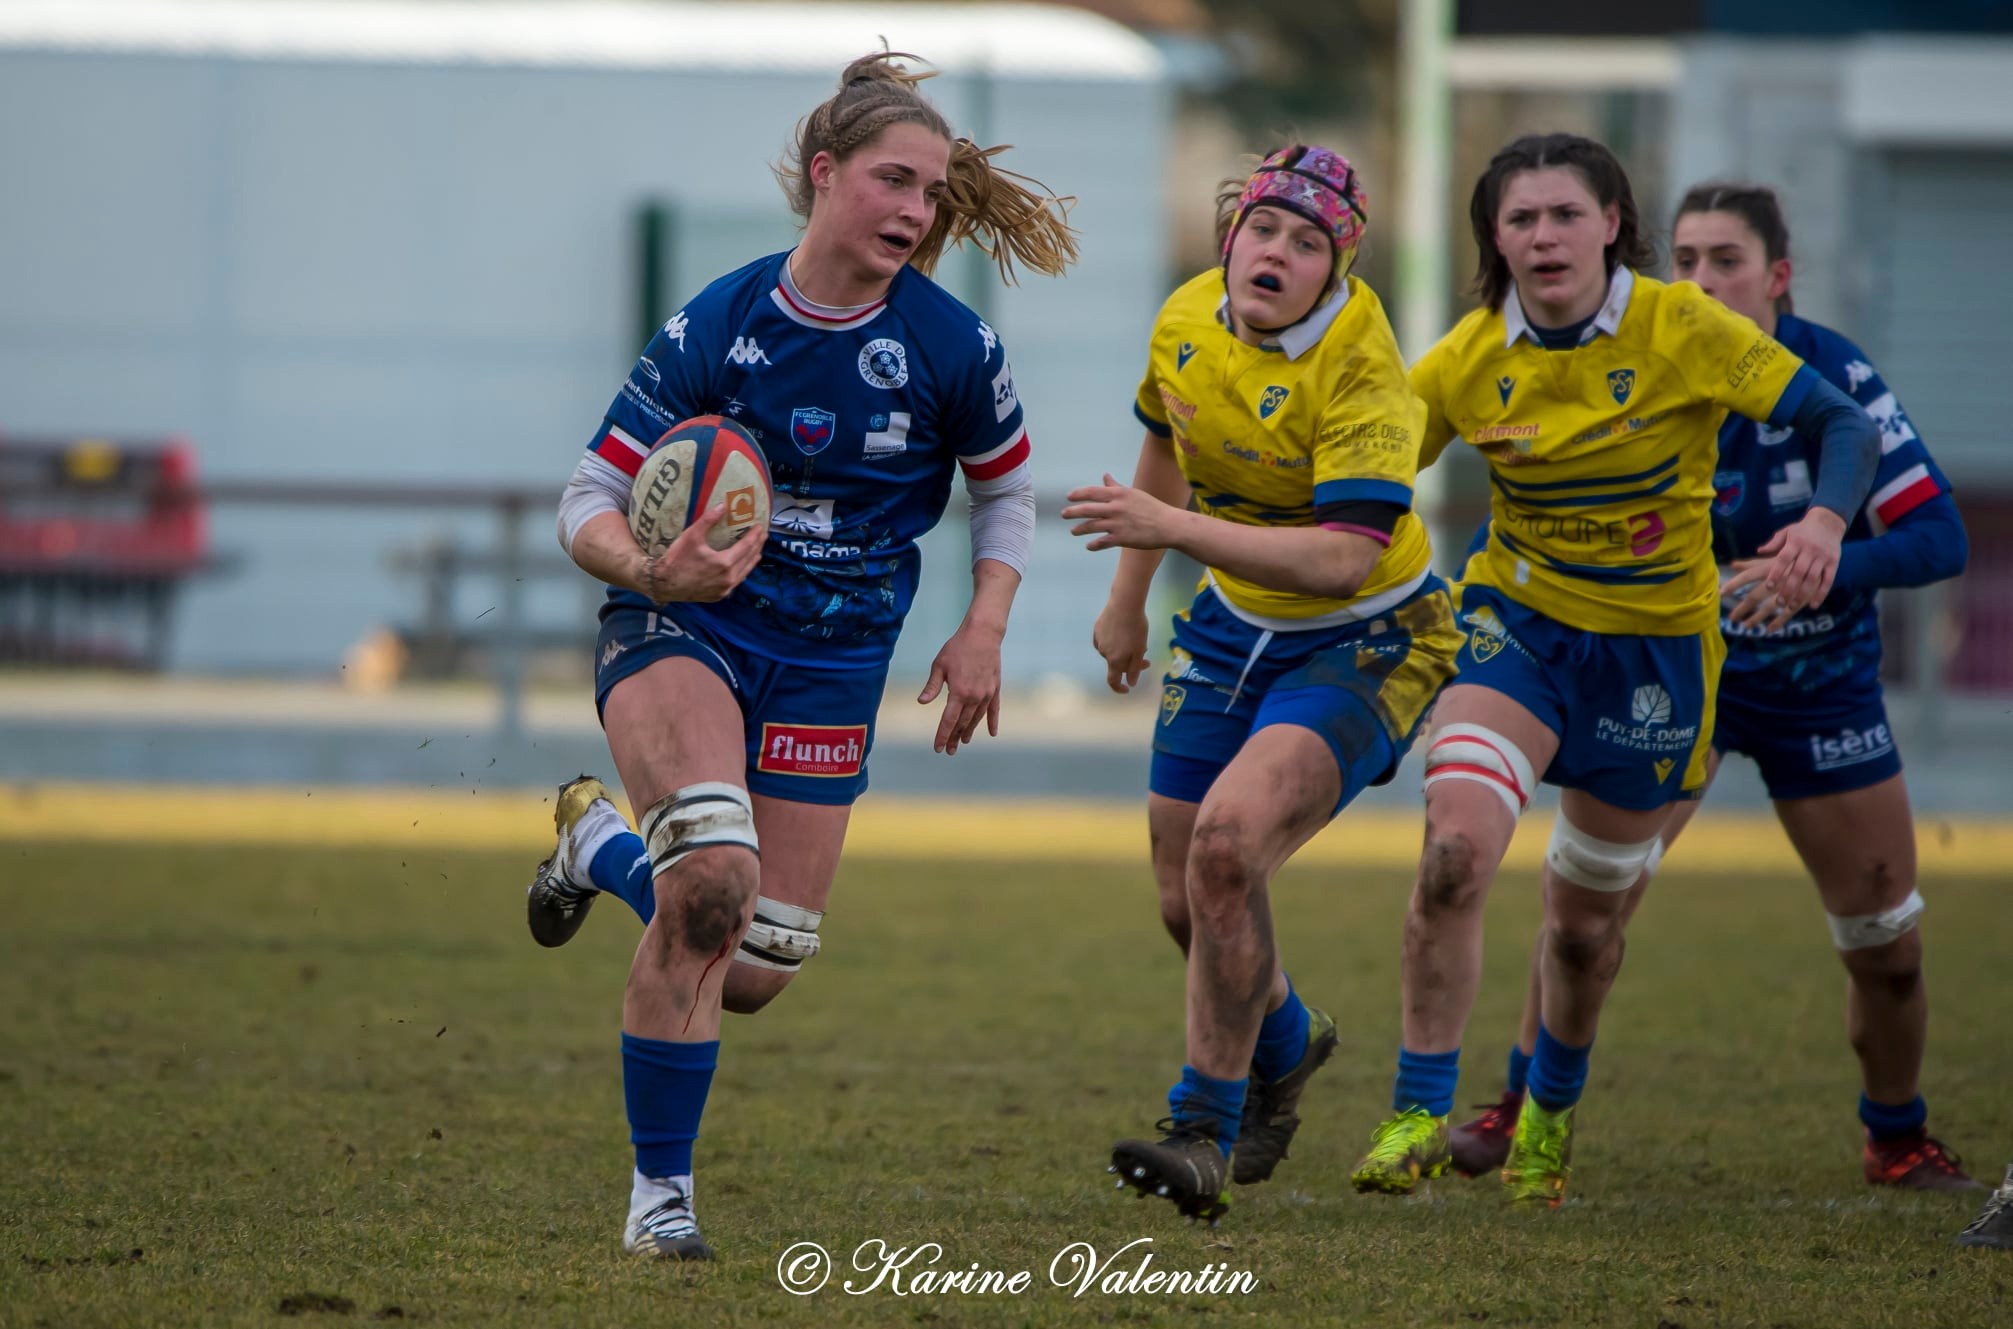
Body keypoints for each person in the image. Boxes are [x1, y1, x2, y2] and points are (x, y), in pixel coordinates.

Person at [521, 52, 1076, 1261]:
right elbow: (587, 497)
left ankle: (596, 843)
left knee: (760, 961)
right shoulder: (722, 322)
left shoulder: (950, 343)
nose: (915, 213)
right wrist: (647, 571)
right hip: (688, 630)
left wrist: (984, 624)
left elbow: (1009, 493)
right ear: (824, 176)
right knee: (711, 889)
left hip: (835, 663)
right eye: (892, 181)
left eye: (931, 192)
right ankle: (660, 1201)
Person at [1347, 134, 1882, 1209]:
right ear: (1494, 240)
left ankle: (1548, 1110)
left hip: (1656, 659)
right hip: (1519, 628)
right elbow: (1358, 475)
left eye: (1563, 214)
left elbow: (1839, 423)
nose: (1543, 235)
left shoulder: (1682, 325)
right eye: (1519, 219)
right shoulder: (1462, 359)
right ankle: (1415, 1110)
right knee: (1455, 846)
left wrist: (1824, 525)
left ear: (1610, 225)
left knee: (1586, 931)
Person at [1442, 181, 1978, 1193]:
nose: (1700, 281)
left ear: (1777, 277)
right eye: (1682, 260)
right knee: (1584, 912)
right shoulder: (1640, 361)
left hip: (1818, 687)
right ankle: (1519, 1107)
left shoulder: (1830, 378)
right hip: (1671, 673)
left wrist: (1822, 554)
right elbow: (1533, 509)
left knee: (1886, 939)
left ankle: (1897, 1137)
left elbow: (1938, 537)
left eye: (1724, 260)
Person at [1064, 145, 1461, 1223]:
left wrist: (1170, 531)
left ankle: (1202, 1127)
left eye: (1308, 241)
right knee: (1185, 897)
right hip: (1234, 624)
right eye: (1265, 231)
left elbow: (1341, 556)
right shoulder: (1187, 314)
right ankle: (1289, 1043)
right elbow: (1164, 444)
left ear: (1342, 264)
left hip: (1371, 633)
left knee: (1228, 849)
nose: (1278, 253)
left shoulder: (1363, 363)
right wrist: (1127, 596)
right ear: (1227, 233)